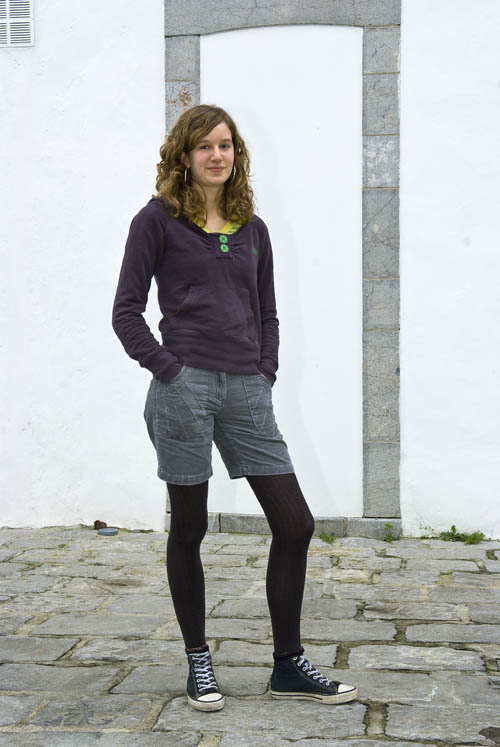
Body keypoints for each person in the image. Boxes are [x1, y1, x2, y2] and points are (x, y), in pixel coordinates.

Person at [112, 104, 358, 712]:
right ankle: (199, 659)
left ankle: (288, 666)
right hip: (184, 387)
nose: (217, 155)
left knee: (295, 524)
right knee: (190, 526)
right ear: (184, 156)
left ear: (236, 154)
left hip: (247, 387)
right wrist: (168, 369)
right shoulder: (157, 220)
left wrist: (264, 369)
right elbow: (126, 311)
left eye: (225, 145)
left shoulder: (253, 228)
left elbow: (266, 310)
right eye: (205, 146)